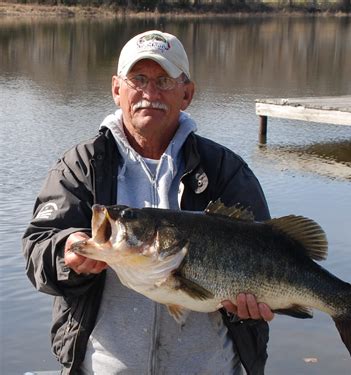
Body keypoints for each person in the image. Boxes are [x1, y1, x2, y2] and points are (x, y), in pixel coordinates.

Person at [22, 30, 273, 374]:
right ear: (116, 89)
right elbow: (38, 247)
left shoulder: (225, 171)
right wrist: (66, 253)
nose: (149, 93)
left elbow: (268, 248)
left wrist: (245, 306)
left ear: (187, 93)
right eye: (137, 79)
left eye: (164, 80)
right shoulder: (81, 166)